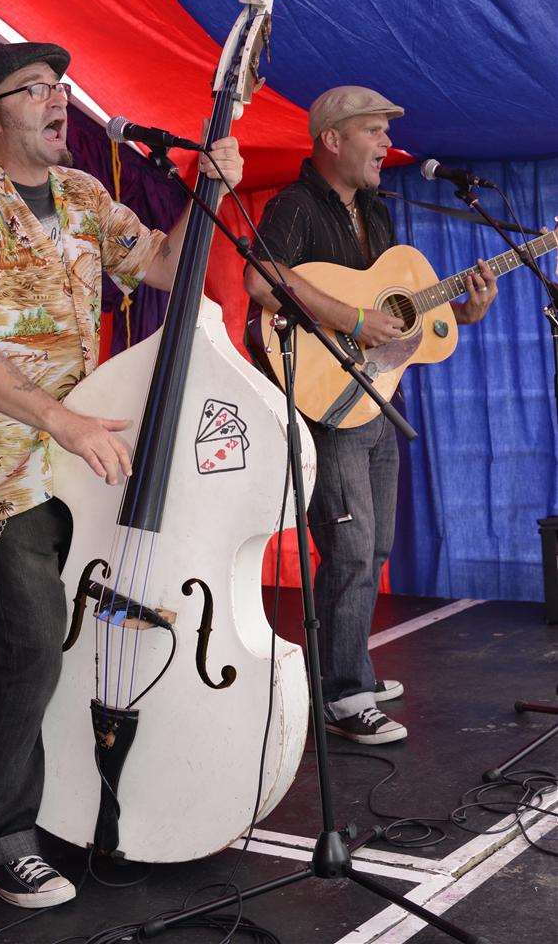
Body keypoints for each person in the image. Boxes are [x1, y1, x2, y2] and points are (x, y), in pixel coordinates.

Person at [0, 41, 242, 908]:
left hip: (81, 450)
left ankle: (79, 791)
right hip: (5, 463)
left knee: (77, 633)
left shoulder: (82, 195)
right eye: (35, 90)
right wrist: (58, 415)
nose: (59, 99)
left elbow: (168, 268)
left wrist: (206, 189)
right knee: (30, 639)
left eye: (61, 86)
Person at [244, 85, 497, 746]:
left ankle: (346, 667)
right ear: (331, 138)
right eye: (374, 131)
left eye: (387, 132)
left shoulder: (379, 213)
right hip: (324, 405)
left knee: (373, 546)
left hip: (377, 399)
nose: (387, 144)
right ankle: (342, 694)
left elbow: (397, 323)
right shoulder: (294, 206)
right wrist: (352, 318)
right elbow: (260, 279)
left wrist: (458, 314)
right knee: (350, 550)